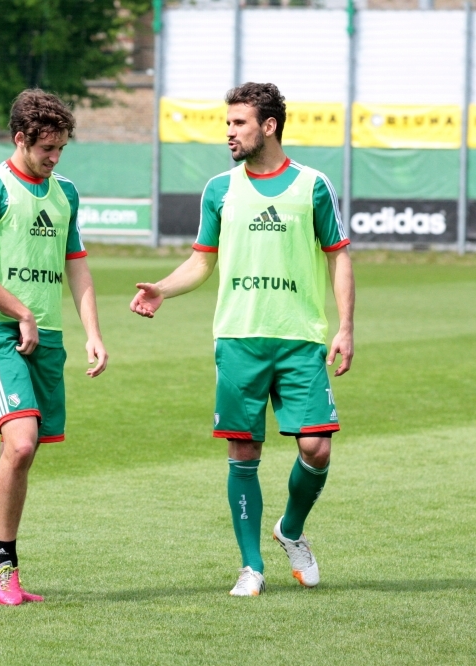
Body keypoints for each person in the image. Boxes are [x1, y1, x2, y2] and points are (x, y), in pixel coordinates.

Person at [130, 82, 354, 597]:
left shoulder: (312, 185)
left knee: (316, 449)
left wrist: (344, 326)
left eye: (239, 123)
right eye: (227, 123)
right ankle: (251, 566)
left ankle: (290, 530)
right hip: (238, 339)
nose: (228, 132)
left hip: (299, 339)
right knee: (243, 451)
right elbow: (202, 259)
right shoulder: (220, 189)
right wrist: (162, 288)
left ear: (268, 126)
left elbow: (338, 254)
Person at [0, 89, 108, 606]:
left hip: (49, 340)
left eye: (62, 148)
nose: (55, 158)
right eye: (47, 148)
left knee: (21, 452)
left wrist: (93, 332)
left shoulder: (65, 193)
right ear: (20, 138)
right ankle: (3, 568)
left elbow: (76, 265)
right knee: (20, 443)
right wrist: (20, 312)